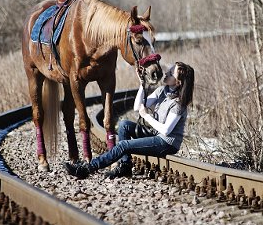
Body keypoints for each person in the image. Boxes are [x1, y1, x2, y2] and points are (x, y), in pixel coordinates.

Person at [64, 61, 195, 179]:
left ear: (179, 82)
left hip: (166, 143)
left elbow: (166, 131)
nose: (167, 73)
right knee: (124, 125)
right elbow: (137, 107)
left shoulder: (178, 104)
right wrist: (142, 84)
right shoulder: (162, 91)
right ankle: (125, 166)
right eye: (169, 70)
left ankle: (88, 168)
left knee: (123, 145)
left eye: (171, 73)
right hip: (155, 134)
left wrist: (146, 116)